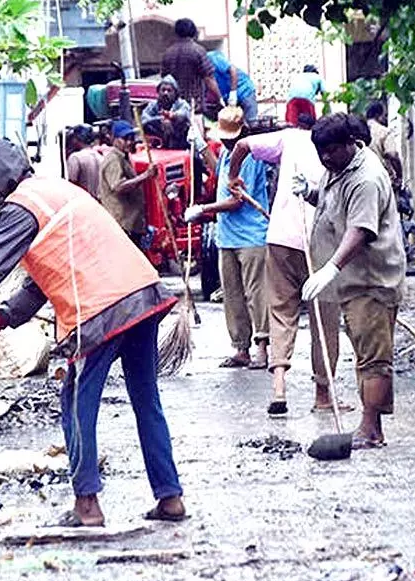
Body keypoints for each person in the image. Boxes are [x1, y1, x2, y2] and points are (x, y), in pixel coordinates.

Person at [0, 139, 184, 526]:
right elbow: (43, 279)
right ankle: (170, 496)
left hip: (101, 308)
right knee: (146, 401)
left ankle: (87, 505)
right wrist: (0, 320)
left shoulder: (22, 205)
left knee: (76, 402)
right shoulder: (57, 192)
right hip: (141, 294)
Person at [298, 113, 406, 449]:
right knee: (365, 351)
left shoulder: (365, 179)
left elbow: (359, 229)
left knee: (373, 357)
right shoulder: (338, 169)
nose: (326, 158)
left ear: (350, 144)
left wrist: (331, 267)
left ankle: (370, 428)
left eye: (332, 151)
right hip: (352, 280)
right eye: (321, 153)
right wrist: (311, 192)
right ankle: (372, 424)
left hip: (370, 280)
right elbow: (335, 207)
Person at [226, 119, 342, 414]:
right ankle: (323, 396)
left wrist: (233, 177)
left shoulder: (288, 139)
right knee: (323, 317)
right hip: (320, 242)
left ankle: (279, 388)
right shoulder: (337, 146)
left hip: (281, 238)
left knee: (281, 311)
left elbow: (241, 145)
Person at [185, 107, 269, 371]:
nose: (226, 142)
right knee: (232, 294)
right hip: (227, 236)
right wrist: (200, 146)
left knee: (257, 293)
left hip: (251, 236)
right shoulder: (225, 153)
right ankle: (241, 348)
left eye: (230, 138)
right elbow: (218, 173)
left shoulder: (252, 158)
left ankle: (263, 349)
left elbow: (237, 200)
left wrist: (204, 209)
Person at [99, 120, 157, 247]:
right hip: (122, 225)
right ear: (114, 139)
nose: (129, 142)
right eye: (124, 138)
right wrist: (145, 176)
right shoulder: (113, 159)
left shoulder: (124, 157)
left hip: (132, 223)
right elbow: (118, 186)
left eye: (131, 138)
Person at [161, 18, 222, 115]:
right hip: (194, 104)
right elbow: (208, 78)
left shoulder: (168, 53)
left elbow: (164, 78)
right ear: (193, 32)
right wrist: (220, 98)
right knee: (195, 129)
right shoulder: (198, 51)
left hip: (174, 105)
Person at [141, 75, 192, 149]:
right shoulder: (153, 105)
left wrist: (173, 116)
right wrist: (160, 120)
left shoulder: (182, 103)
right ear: (158, 92)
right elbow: (144, 119)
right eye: (163, 90)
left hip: (180, 144)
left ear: (175, 93)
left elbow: (184, 113)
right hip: (158, 144)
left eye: (169, 90)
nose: (165, 93)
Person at [207, 50, 259, 121]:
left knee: (251, 123)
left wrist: (233, 93)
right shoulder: (198, 71)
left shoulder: (212, 57)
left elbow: (232, 69)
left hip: (244, 90)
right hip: (226, 97)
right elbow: (211, 82)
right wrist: (220, 98)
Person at [365, 101, 403, 190]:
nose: (385, 119)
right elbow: (392, 155)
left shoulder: (358, 131)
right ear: (378, 115)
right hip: (383, 180)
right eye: (384, 115)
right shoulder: (384, 132)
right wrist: (399, 176)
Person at [65, 124, 102, 198]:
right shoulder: (100, 157)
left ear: (76, 139)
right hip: (98, 203)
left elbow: (71, 183)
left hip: (82, 201)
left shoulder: (75, 157)